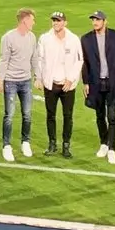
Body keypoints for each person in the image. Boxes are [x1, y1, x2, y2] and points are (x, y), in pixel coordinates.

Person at [80, 9, 115, 165]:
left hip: (112, 82)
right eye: (93, 19)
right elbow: (84, 63)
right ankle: (104, 142)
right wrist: (86, 82)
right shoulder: (86, 39)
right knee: (99, 115)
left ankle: (112, 149)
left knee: (112, 116)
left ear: (105, 21)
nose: (95, 22)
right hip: (96, 83)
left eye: (98, 19)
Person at [36, 10, 82, 158]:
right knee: (50, 115)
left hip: (68, 85)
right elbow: (39, 59)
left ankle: (66, 146)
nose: (56, 23)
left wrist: (71, 78)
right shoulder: (44, 38)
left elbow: (79, 60)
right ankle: (52, 144)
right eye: (54, 20)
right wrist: (38, 77)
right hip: (51, 84)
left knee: (68, 115)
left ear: (65, 23)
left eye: (58, 20)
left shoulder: (74, 39)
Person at [0, 8, 39, 163]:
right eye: (32, 20)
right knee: (9, 114)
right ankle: (6, 145)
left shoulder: (32, 37)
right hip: (11, 81)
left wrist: (37, 76)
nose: (34, 22)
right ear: (25, 20)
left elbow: (34, 58)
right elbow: (3, 60)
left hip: (26, 80)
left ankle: (25, 142)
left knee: (27, 114)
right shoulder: (8, 38)